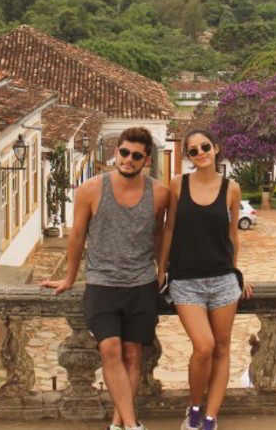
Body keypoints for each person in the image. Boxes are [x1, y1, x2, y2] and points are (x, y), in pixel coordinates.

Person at [41, 127, 169, 430]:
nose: (128, 159)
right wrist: (70, 278)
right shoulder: (90, 190)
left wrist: (162, 270)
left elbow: (161, 233)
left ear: (146, 159)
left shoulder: (160, 195)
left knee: (133, 353)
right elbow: (78, 236)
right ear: (116, 152)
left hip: (141, 284)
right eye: (124, 152)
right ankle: (133, 424)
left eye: (136, 155)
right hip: (101, 283)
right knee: (109, 349)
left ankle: (118, 423)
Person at [159, 128, 254, 430]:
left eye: (204, 147)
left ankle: (211, 417)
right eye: (192, 150)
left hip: (223, 280)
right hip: (186, 280)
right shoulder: (177, 185)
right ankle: (194, 408)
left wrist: (236, 272)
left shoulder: (231, 189)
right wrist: (161, 270)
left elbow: (233, 236)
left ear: (216, 148)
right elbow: (169, 229)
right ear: (187, 156)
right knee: (204, 347)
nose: (199, 153)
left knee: (222, 348)